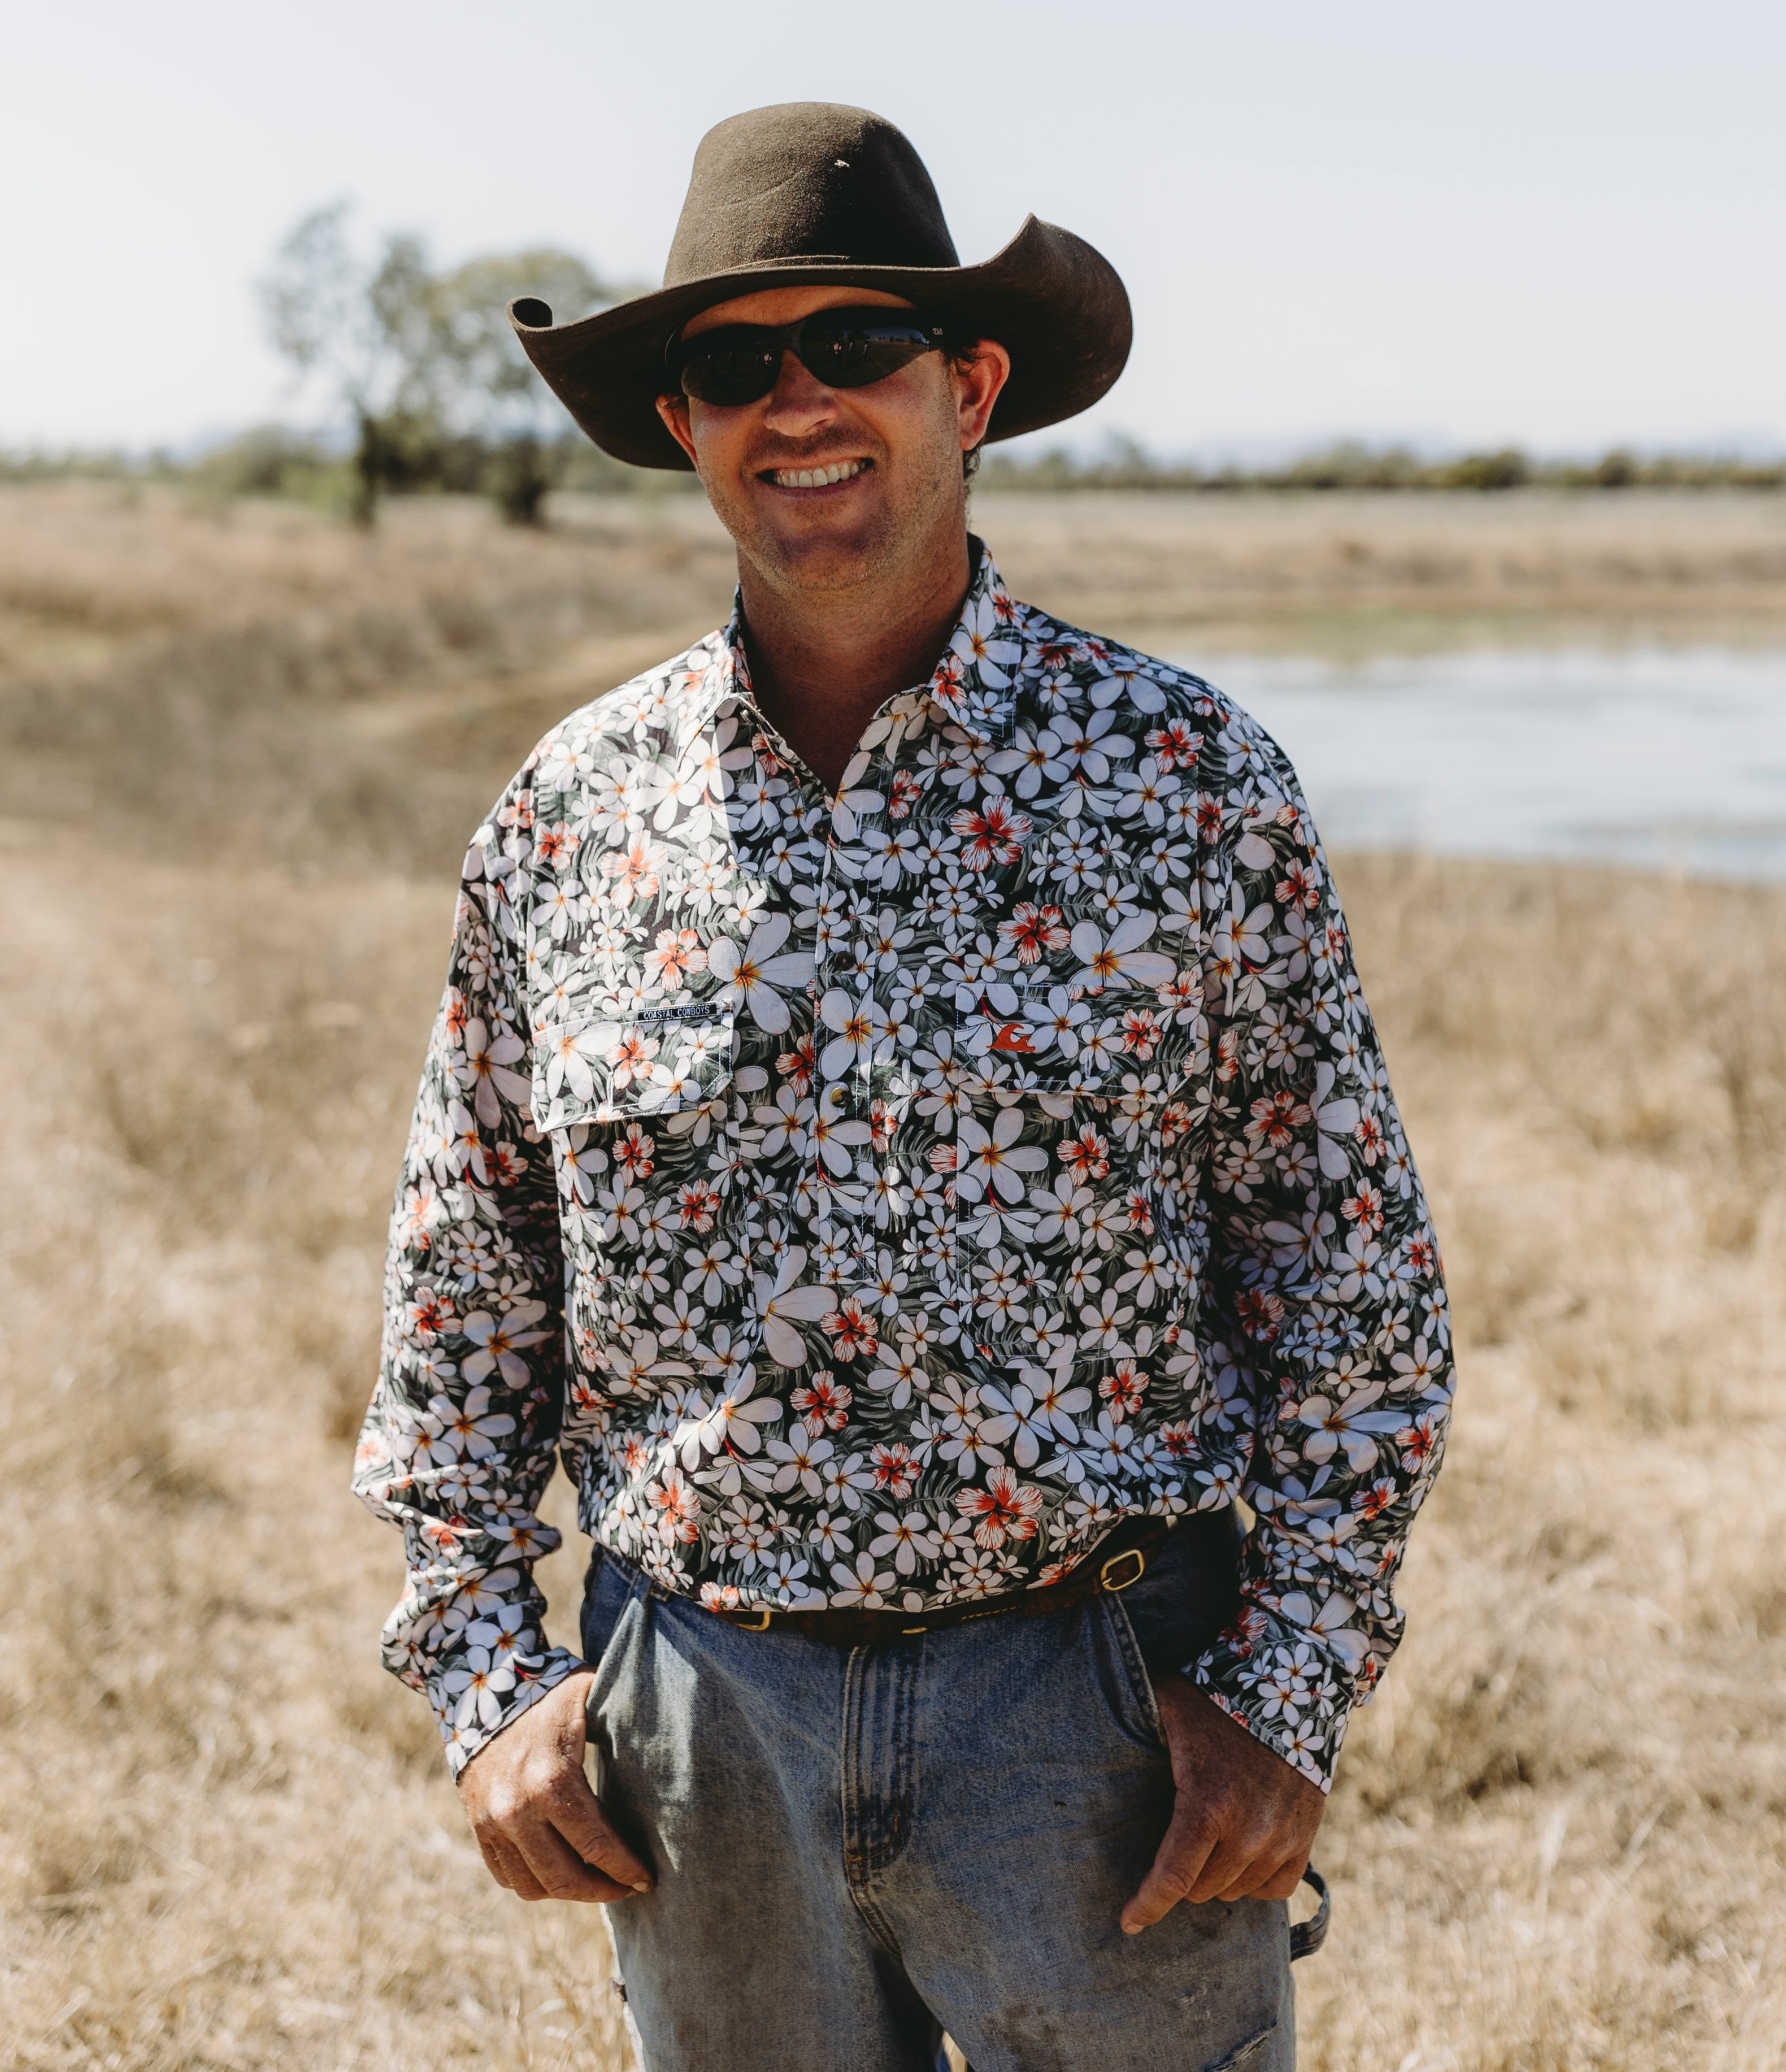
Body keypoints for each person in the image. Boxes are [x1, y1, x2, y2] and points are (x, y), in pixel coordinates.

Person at [354, 101, 1453, 2072]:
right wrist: (486, 1676)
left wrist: (1283, 1689)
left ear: (970, 382)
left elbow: (1348, 1283)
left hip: (1105, 1712)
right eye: (731, 365)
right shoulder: (570, 818)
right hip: (700, 1729)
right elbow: (462, 1292)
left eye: (852, 343)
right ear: (682, 427)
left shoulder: (1184, 783)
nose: (798, 403)